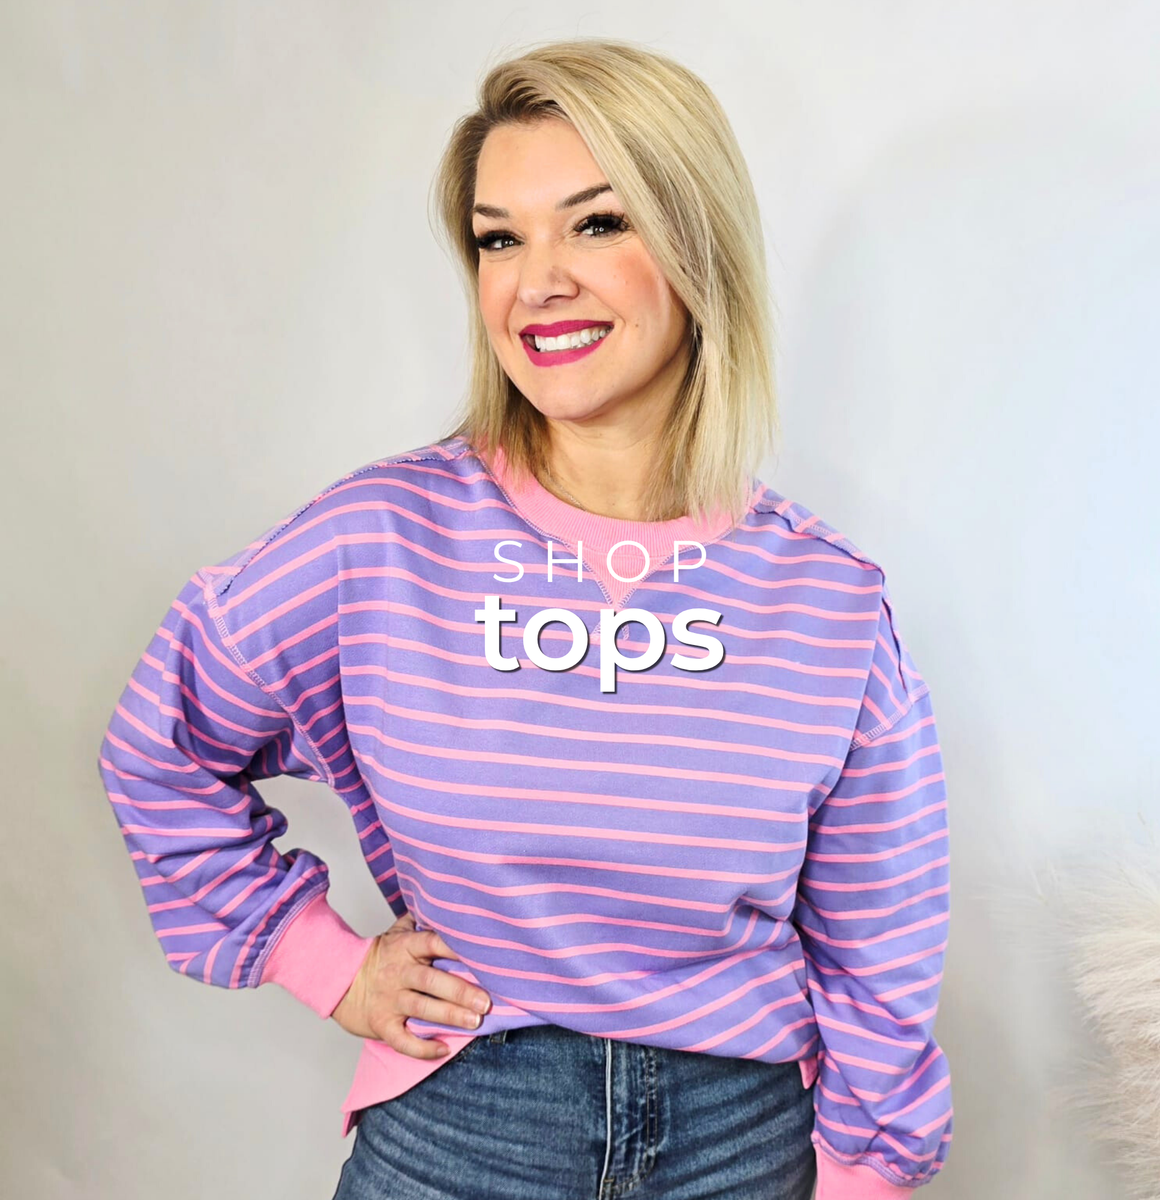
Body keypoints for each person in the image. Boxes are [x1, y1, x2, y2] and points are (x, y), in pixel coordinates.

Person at [96, 36, 953, 1200]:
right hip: (462, 1133)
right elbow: (160, 743)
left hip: (745, 1145)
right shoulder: (382, 539)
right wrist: (323, 961)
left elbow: (877, 947)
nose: (537, 281)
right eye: (500, 239)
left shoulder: (826, 598)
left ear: (697, 247)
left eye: (596, 224)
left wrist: (866, 1177)